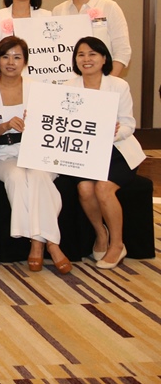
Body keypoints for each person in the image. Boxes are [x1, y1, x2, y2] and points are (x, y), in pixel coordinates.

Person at [0, 36, 71, 274]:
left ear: (25, 61)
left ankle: (38, 244)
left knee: (38, 177)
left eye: (17, 57)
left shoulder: (38, 89)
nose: (11, 62)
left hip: (36, 151)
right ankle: (51, 242)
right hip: (1, 152)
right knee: (16, 177)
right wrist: (5, 126)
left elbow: (54, 126)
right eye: (5, 56)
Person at [65, 36, 146, 269]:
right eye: (81, 54)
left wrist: (113, 132)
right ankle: (101, 233)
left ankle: (118, 244)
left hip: (117, 151)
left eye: (92, 54)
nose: (86, 59)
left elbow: (129, 125)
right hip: (86, 153)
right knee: (84, 188)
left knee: (102, 187)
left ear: (103, 59)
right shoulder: (68, 87)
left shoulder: (118, 85)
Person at [53, 0, 131, 77]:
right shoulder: (58, 11)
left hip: (103, 79)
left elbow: (123, 51)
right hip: (67, 82)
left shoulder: (109, 7)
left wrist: (107, 82)